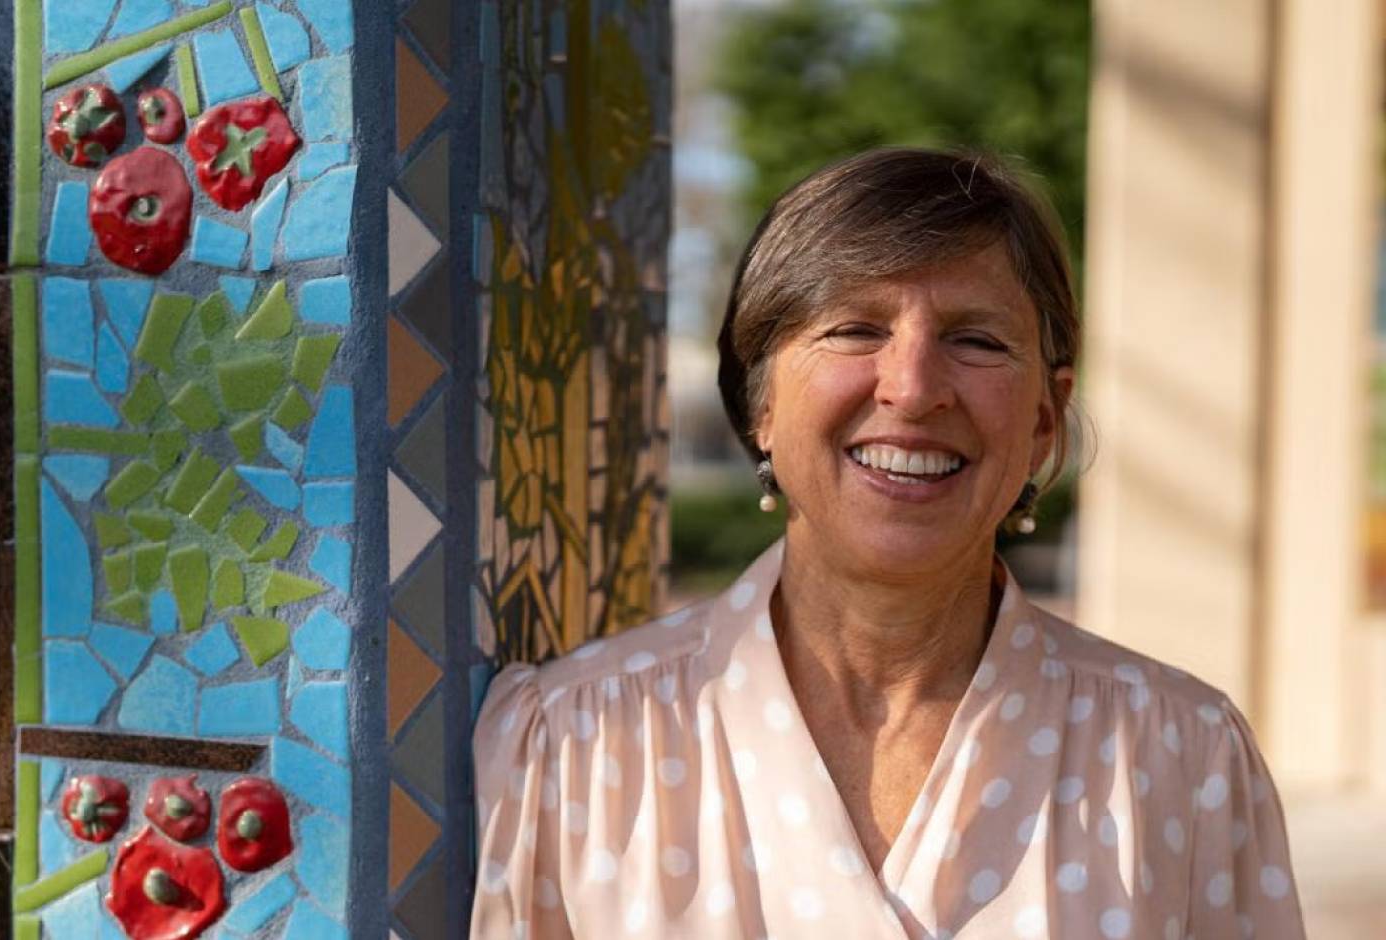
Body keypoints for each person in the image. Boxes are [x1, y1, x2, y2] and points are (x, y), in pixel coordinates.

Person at [469, 148, 1306, 938]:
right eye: (855, 330)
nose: (911, 389)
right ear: (760, 401)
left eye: (976, 340)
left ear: (1044, 422)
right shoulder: (577, 744)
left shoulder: (1179, 755)